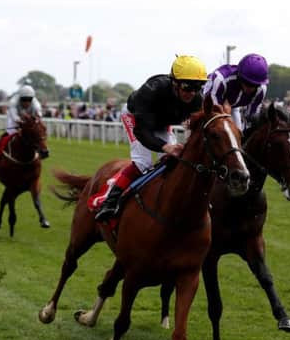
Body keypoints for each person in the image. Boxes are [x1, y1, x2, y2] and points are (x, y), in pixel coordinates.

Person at [92, 55, 207, 222]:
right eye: (187, 86)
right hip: (137, 119)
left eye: (198, 86)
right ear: (174, 82)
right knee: (142, 163)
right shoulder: (152, 90)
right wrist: (165, 146)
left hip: (161, 122)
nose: (192, 92)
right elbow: (142, 132)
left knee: (175, 162)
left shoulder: (197, 99)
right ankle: (109, 201)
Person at [202, 53, 269, 131]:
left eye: (255, 85)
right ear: (239, 76)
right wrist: (227, 116)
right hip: (205, 102)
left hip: (232, 106)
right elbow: (213, 113)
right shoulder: (220, 80)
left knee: (239, 134)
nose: (250, 88)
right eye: (247, 83)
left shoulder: (261, 89)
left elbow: (251, 119)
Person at [0, 85, 43, 165]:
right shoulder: (13, 102)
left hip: (28, 119)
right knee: (10, 134)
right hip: (14, 118)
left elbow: (39, 115)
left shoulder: (36, 103)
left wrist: (34, 121)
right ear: (20, 98)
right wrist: (21, 123)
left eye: (29, 99)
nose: (27, 102)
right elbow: (15, 117)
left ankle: (43, 151)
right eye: (24, 99)